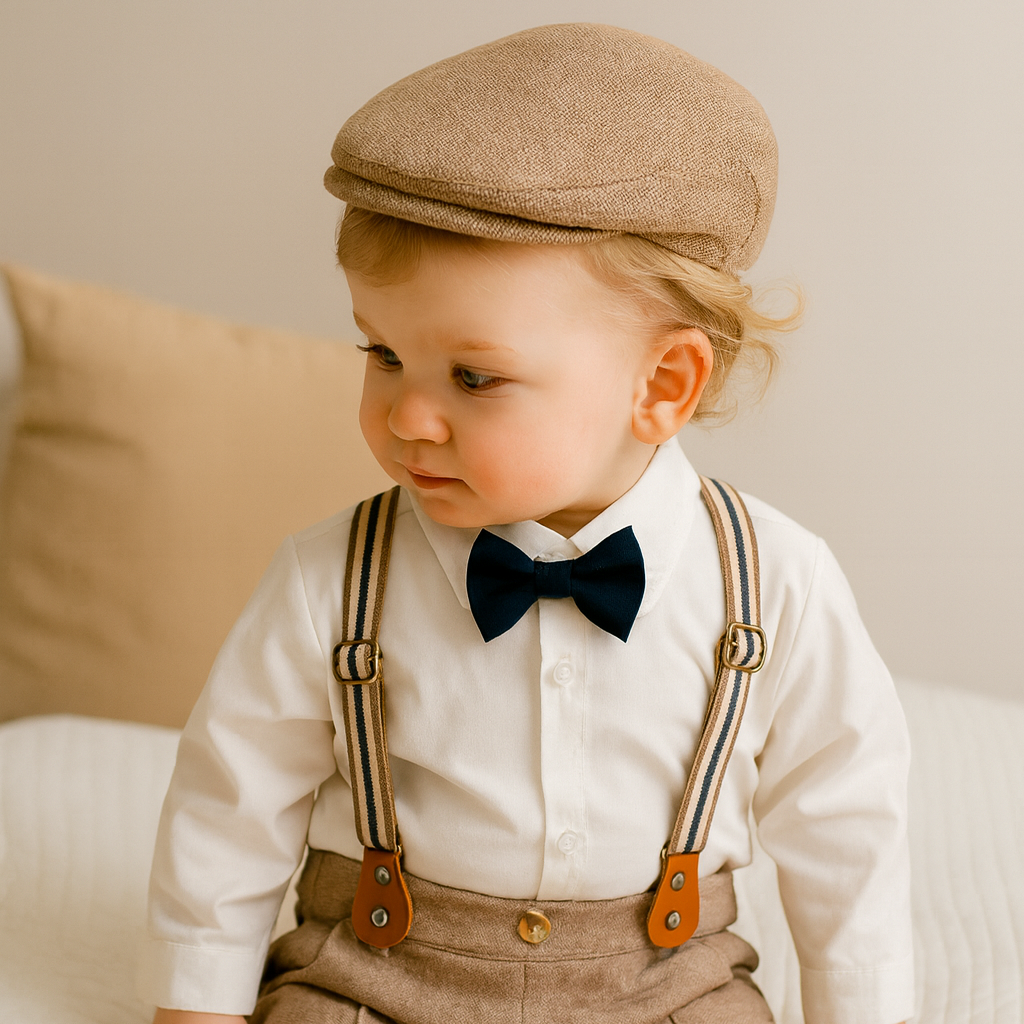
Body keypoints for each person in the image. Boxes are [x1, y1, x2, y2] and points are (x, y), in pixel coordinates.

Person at [139, 23, 914, 1024]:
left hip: (664, 984)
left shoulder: (775, 583)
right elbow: (230, 804)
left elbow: (846, 829)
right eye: (382, 354)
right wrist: (196, 1002)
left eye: (473, 377)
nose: (406, 416)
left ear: (662, 384)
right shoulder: (330, 576)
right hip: (376, 971)